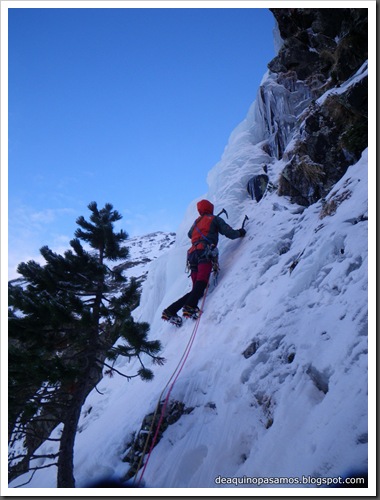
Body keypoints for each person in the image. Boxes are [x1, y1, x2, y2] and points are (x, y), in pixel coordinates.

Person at [162, 199, 246, 326]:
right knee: (201, 282)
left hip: (192, 255)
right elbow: (229, 233)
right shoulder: (214, 219)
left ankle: (170, 310)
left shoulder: (196, 222)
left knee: (197, 289)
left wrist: (204, 227)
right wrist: (240, 232)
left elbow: (190, 235)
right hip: (204, 252)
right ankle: (190, 307)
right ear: (210, 209)